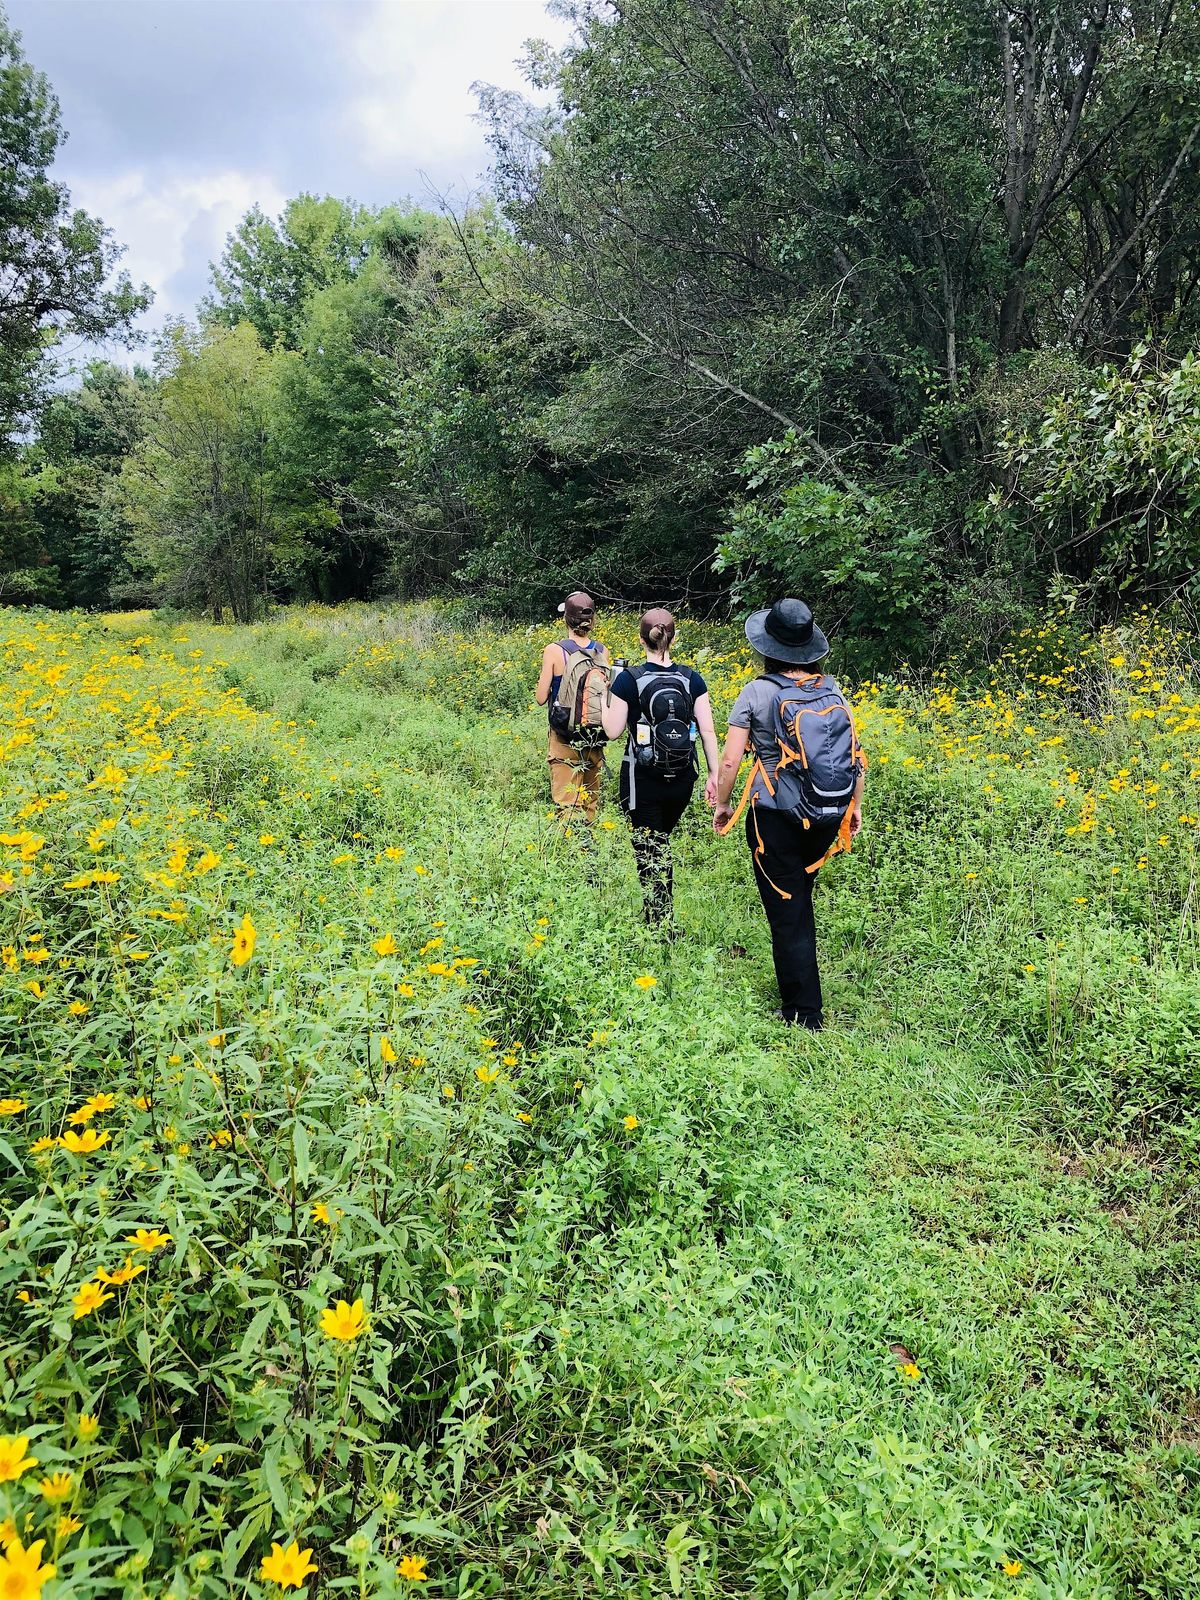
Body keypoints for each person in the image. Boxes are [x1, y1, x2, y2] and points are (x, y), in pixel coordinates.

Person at [710, 598, 865, 1029]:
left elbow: (729, 761)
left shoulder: (758, 691)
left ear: (768, 646)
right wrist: (854, 808)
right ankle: (802, 998)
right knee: (799, 899)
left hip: (773, 816)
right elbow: (855, 755)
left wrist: (723, 805)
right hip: (826, 812)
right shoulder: (831, 691)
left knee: (788, 910)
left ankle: (803, 1013)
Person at [601, 608, 719, 925]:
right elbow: (707, 731)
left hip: (642, 779)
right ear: (674, 638)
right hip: (683, 777)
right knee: (661, 841)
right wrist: (714, 775)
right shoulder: (692, 679)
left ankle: (659, 925)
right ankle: (660, 916)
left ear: (642, 640)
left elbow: (611, 731)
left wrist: (603, 697)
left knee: (649, 848)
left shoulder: (628, 680)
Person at [534, 591, 610, 823]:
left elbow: (540, 697)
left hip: (564, 736)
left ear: (565, 619)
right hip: (594, 736)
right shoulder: (601, 650)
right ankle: (589, 853)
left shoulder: (554, 650)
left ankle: (570, 849)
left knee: (567, 804)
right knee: (589, 804)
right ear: (592, 620)